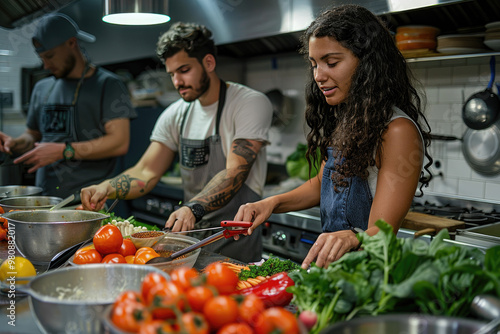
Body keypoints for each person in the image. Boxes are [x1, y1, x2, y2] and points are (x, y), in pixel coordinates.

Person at [234, 4, 433, 269]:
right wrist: (271, 203)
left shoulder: (397, 131)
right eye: (314, 64)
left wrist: (354, 236)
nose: (318, 76)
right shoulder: (350, 118)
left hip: (366, 276)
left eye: (331, 63)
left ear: (367, 63)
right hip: (334, 271)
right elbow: (324, 183)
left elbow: (382, 233)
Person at [81, 22, 273, 263]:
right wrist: (106, 187)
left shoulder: (249, 103)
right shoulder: (175, 113)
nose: (177, 82)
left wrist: (192, 208)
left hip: (235, 242)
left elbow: (234, 172)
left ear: (209, 63)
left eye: (184, 70)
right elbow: (146, 171)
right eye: (172, 73)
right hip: (190, 240)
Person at [0, 13, 136, 201]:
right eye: (42, 58)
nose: (46, 65)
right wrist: (14, 143)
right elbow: (33, 136)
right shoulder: (42, 88)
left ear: (72, 43)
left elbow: (119, 142)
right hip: (46, 199)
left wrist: (64, 151)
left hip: (91, 202)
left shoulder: (108, 85)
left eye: (50, 56)